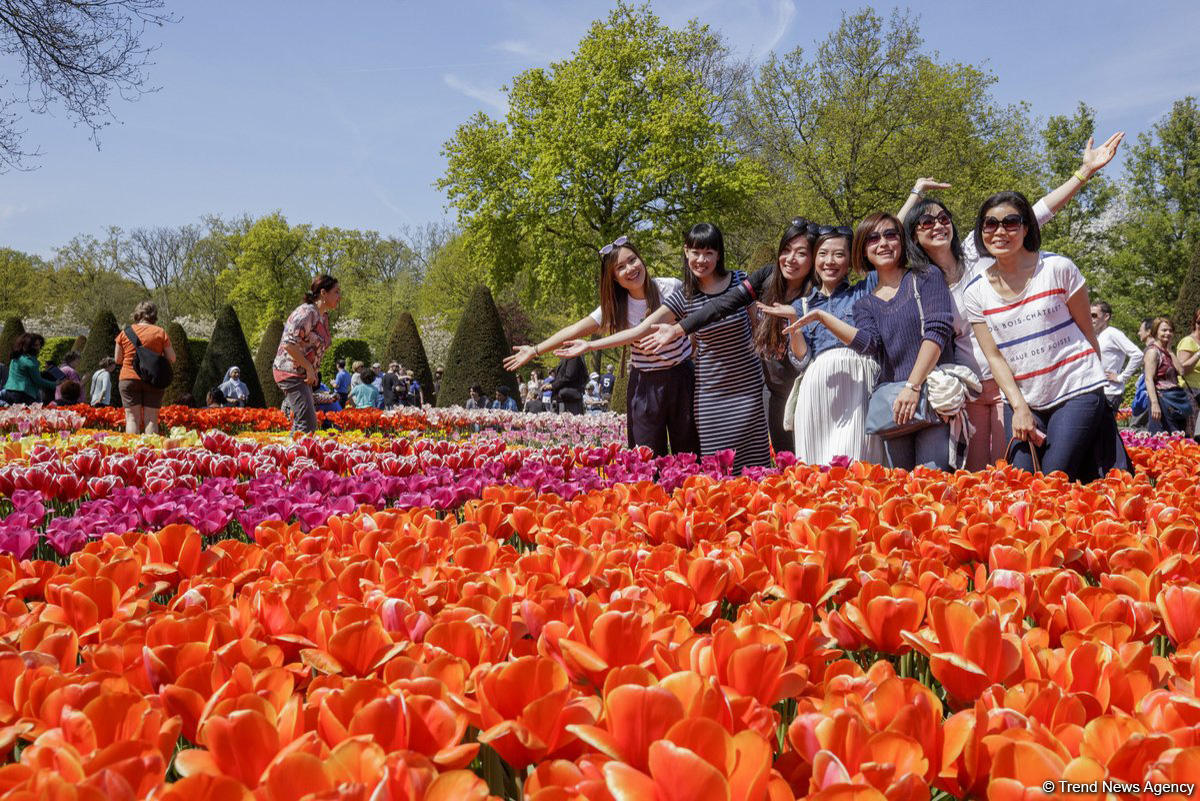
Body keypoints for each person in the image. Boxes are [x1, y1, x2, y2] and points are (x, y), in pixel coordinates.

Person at [896, 131, 1124, 469]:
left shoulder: (979, 249)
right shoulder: (923, 283)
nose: (938, 226)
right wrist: (916, 193)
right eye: (926, 222)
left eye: (944, 218)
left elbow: (1038, 211)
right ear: (914, 235)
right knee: (981, 472)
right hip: (974, 384)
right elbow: (884, 238)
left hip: (1016, 379)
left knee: (1018, 468)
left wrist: (1084, 173)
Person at [563, 224, 771, 471]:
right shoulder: (685, 295)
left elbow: (759, 328)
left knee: (754, 463)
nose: (701, 260)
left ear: (719, 254)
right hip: (710, 391)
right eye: (696, 252)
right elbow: (638, 331)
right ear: (686, 252)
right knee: (715, 466)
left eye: (709, 253)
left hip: (745, 386)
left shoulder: (739, 281)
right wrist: (587, 346)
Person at [962, 191, 1129, 481]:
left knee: (1053, 478)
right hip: (1024, 396)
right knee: (1020, 478)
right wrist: (1019, 407)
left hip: (1076, 387)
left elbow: (1087, 333)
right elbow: (994, 356)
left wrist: (1097, 387)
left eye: (1010, 222)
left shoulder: (1058, 269)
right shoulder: (975, 292)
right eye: (990, 224)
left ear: (1026, 228)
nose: (1000, 231)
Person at [787, 214, 957, 470]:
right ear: (864, 250)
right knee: (897, 484)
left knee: (932, 478)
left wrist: (912, 386)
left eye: (890, 235)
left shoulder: (925, 277)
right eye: (873, 238)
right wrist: (823, 317)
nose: (883, 243)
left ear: (902, 240)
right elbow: (869, 344)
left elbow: (937, 331)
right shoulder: (865, 303)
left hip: (930, 394)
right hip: (894, 404)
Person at [505, 235, 699, 455]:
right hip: (645, 384)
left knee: (689, 453)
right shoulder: (616, 307)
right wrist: (535, 350)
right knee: (646, 456)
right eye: (620, 267)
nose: (630, 269)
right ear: (614, 277)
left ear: (641, 259)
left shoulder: (671, 287)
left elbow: (696, 318)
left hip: (681, 378)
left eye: (633, 260)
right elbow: (574, 329)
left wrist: (692, 347)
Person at [639, 219, 818, 455]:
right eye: (786, 250)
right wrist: (678, 329)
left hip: (796, 389)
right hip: (761, 392)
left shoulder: (819, 292)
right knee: (778, 463)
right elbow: (722, 306)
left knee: (805, 461)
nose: (791, 258)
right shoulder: (767, 278)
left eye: (801, 253)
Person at [758, 227, 882, 465]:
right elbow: (802, 360)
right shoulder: (801, 305)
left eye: (839, 254)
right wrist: (793, 321)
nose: (830, 261)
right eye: (823, 254)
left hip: (857, 383)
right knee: (819, 463)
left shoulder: (864, 291)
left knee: (858, 459)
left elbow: (885, 242)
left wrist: (912, 200)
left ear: (851, 260)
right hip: (817, 387)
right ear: (814, 260)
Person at [273, 274, 340, 433]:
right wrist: (309, 367)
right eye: (336, 292)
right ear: (323, 293)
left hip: (302, 374)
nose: (339, 297)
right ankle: (299, 449)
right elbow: (289, 344)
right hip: (290, 372)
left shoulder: (323, 317)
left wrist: (312, 370)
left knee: (304, 422)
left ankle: (293, 448)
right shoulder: (306, 312)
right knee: (307, 423)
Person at [114, 302, 176, 434]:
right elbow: (172, 358)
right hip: (153, 378)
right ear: (154, 315)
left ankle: (132, 446)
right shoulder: (160, 332)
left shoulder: (125, 333)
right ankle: (150, 446)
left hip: (129, 377)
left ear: (137, 313)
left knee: (131, 418)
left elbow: (117, 359)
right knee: (151, 419)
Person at [1091, 301, 1143, 411]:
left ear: (1106, 316)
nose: (1091, 319)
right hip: (1096, 391)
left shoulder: (1113, 333)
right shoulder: (1095, 336)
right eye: (1089, 315)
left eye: (1094, 315)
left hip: (1110, 392)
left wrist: (1121, 377)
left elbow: (1137, 354)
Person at [1143, 317, 1190, 434]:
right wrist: (1154, 404)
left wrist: (1170, 350)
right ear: (1155, 332)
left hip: (1174, 400)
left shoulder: (1168, 351)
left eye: (1170, 330)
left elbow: (1181, 371)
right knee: (1163, 436)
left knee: (1178, 436)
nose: (1168, 333)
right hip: (1161, 400)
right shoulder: (1153, 352)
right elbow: (1148, 379)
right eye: (1164, 330)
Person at [2, 334, 60, 405]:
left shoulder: (15, 357)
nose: (39, 348)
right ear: (28, 346)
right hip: (23, 394)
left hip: (9, 391)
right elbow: (38, 381)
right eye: (36, 345)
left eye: (39, 345)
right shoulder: (30, 362)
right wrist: (55, 384)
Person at [1175, 308, 1200, 435]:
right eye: (1199, 322)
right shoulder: (1188, 342)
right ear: (1195, 322)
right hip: (1190, 391)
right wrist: (1198, 354)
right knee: (1190, 431)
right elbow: (1182, 369)